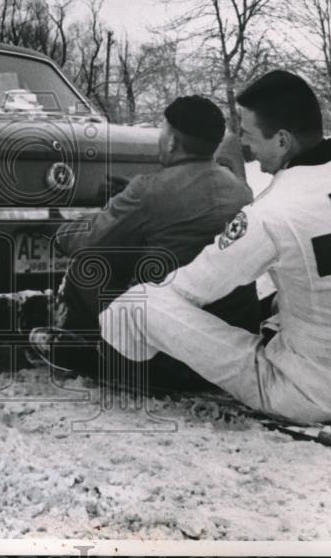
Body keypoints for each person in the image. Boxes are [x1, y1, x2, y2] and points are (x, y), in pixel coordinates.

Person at [35, 0, 331, 423]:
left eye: (248, 132)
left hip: (306, 393)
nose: (240, 144)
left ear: (281, 139)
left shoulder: (271, 213)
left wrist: (120, 325)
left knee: (145, 302)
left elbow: (188, 291)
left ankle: (108, 360)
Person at [26, 94, 262, 387]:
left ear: (173, 142)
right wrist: (128, 197)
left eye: (163, 131)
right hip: (228, 329)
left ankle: (101, 353)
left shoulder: (149, 190)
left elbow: (90, 239)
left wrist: (56, 229)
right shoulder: (240, 190)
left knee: (87, 266)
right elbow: (184, 205)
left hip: (169, 337)